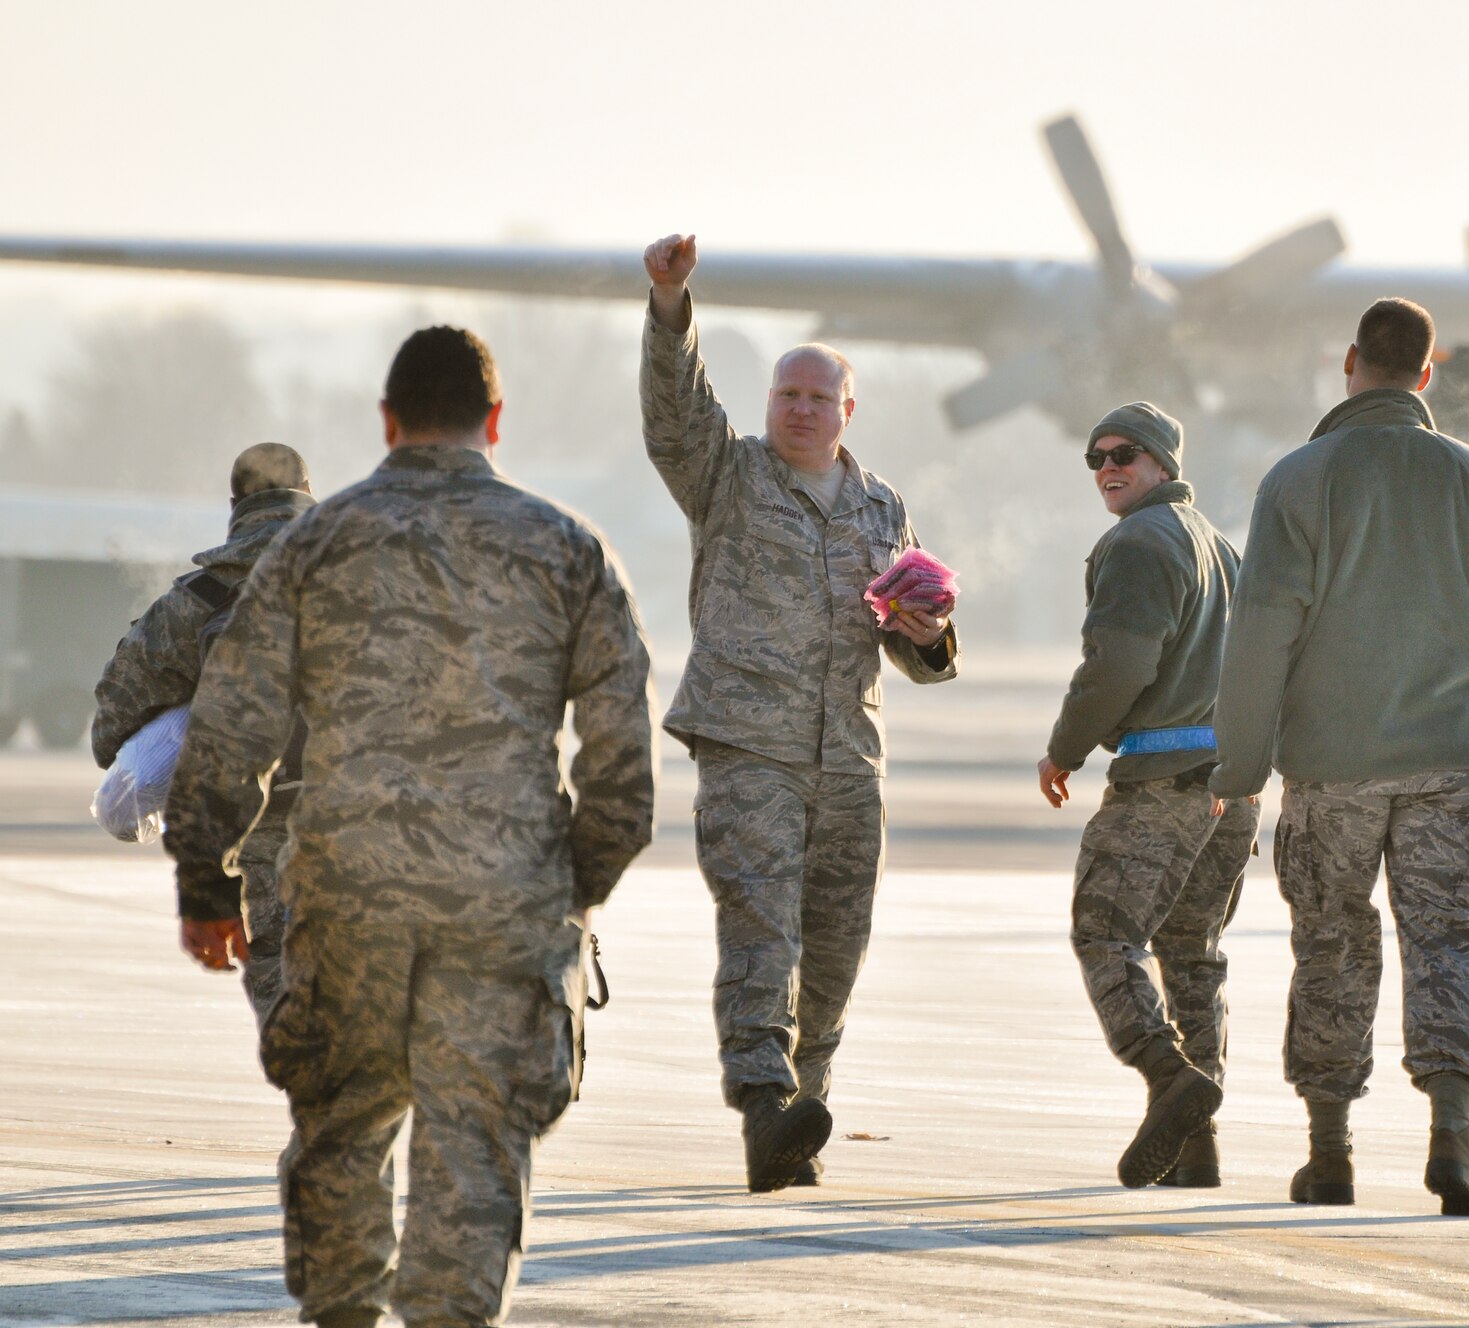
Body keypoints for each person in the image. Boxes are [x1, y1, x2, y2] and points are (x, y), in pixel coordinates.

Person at [166, 326, 656, 1328]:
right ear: (496, 419)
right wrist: (566, 887)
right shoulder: (569, 549)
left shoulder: (313, 541)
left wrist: (208, 887)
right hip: (502, 906)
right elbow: (622, 771)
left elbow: (230, 724)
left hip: (347, 896)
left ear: (387, 421)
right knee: (474, 1142)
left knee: (343, 1127)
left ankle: (342, 1310)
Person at [1210, 298, 1469, 1215]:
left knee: (1333, 945)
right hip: (1450, 765)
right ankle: (1452, 1136)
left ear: (1350, 364)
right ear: (1427, 373)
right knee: (1448, 944)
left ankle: (1329, 1154)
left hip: (1331, 769)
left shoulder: (1297, 482)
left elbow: (1259, 635)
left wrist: (1238, 768)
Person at [640, 233, 960, 1192]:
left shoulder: (880, 506)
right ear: (770, 403)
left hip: (849, 758)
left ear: (847, 410)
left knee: (834, 944)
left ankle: (802, 1107)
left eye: (820, 395)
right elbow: (674, 417)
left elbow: (921, 647)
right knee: (759, 930)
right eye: (787, 393)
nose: (801, 407)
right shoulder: (729, 477)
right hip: (750, 747)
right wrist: (670, 307)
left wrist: (928, 629)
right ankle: (764, 1105)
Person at [1038, 402, 1259, 1189]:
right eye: (1095, 456)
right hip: (1231, 789)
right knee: (1193, 955)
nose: (1107, 467)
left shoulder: (1137, 543)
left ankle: (1170, 1078)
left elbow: (1119, 666)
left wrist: (1064, 748)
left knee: (1105, 934)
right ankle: (1197, 1149)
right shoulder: (1222, 547)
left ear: (1163, 462)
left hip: (1162, 780)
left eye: (1125, 454)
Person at [92, 442, 315, 1019]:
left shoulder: (197, 600)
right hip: (387, 842)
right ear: (311, 500)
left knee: (309, 1052)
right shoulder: (379, 583)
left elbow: (109, 730)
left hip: (268, 856)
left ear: (236, 505)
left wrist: (189, 713)